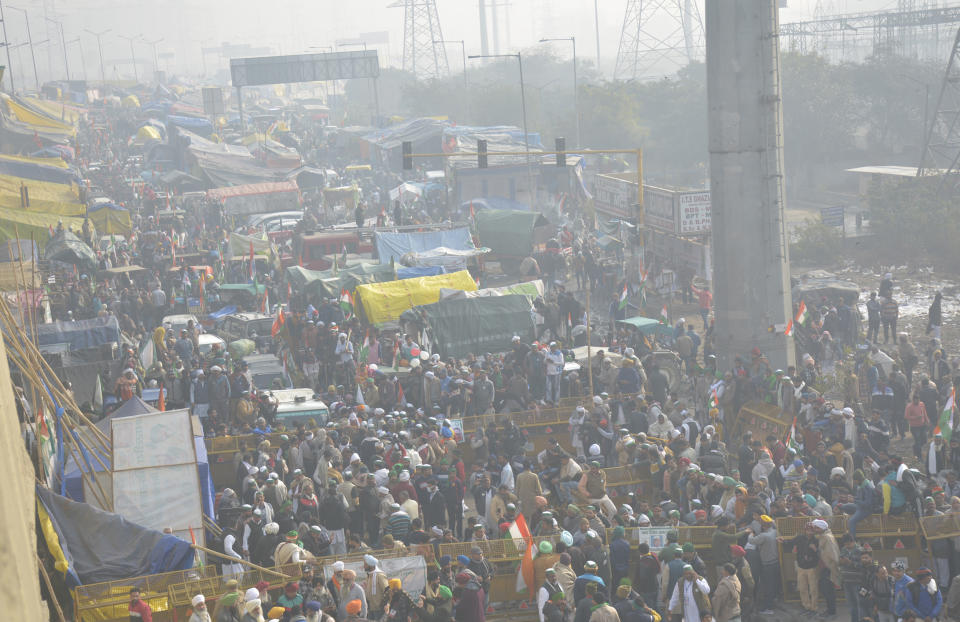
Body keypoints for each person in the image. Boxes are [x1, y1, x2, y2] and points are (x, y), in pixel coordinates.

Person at [779, 521, 820, 613]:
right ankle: (806, 606)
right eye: (808, 530)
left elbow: (821, 554)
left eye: (812, 530)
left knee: (813, 589)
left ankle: (814, 607)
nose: (810, 532)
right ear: (805, 530)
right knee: (802, 588)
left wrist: (815, 549)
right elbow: (790, 542)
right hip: (801, 567)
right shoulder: (800, 538)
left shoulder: (816, 540)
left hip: (812, 567)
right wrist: (783, 541)